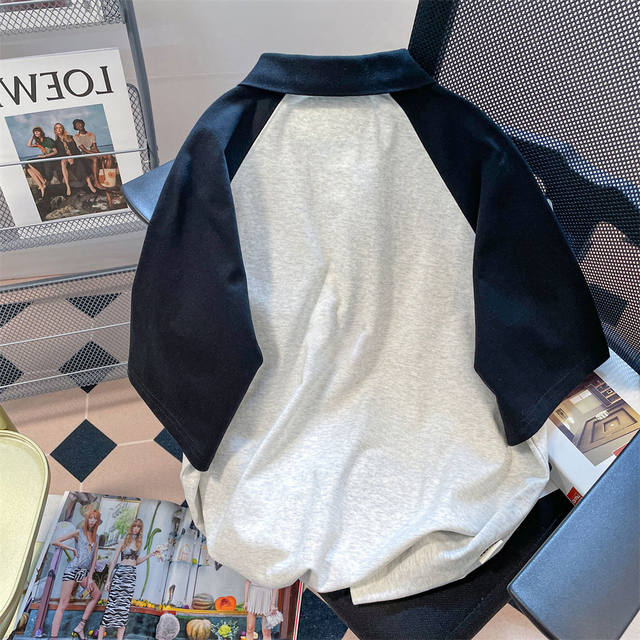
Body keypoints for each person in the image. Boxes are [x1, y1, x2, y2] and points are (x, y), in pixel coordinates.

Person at [97, 519, 163, 640]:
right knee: (111, 606)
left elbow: (136, 562)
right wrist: (108, 580)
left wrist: (150, 554)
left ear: (140, 529)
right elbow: (114, 561)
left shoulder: (138, 544)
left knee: (124, 608)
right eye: (135, 526)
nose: (136, 529)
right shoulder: (123, 541)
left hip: (131, 576)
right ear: (131, 527)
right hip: (120, 574)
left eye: (138, 527)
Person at [49, 510, 102, 640]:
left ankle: (80, 626)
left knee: (96, 595)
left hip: (83, 573)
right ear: (87, 519)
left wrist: (90, 578)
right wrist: (72, 548)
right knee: (63, 603)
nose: (92, 521)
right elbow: (56, 541)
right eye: (91, 518)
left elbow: (94, 559)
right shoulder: (79, 532)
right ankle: (53, 637)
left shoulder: (96, 538)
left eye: (95, 518)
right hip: (72, 569)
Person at [52, 122, 96, 196]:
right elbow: (59, 154)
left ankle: (90, 184)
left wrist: (72, 157)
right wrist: (67, 158)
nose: (58, 129)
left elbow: (75, 149)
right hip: (65, 158)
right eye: (57, 128)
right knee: (62, 162)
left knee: (80, 163)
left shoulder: (70, 137)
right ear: (55, 131)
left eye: (60, 128)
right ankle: (68, 186)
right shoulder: (55, 142)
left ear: (62, 129)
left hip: (74, 156)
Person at [72, 119, 106, 190]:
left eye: (80, 123)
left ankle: (106, 178)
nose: (79, 125)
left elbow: (95, 147)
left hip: (92, 152)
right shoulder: (76, 136)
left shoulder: (91, 134)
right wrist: (97, 154)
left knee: (109, 156)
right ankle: (96, 182)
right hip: (84, 154)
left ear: (83, 124)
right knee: (95, 159)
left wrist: (100, 154)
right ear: (76, 128)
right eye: (77, 125)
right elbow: (84, 150)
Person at [26, 126, 58, 197]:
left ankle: (43, 182)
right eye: (35, 132)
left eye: (37, 131)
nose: (36, 133)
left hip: (50, 158)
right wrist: (33, 136)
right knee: (28, 169)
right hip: (44, 158)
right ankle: (41, 186)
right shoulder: (38, 142)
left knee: (29, 163)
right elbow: (29, 145)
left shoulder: (48, 140)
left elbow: (55, 152)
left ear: (41, 132)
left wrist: (44, 156)